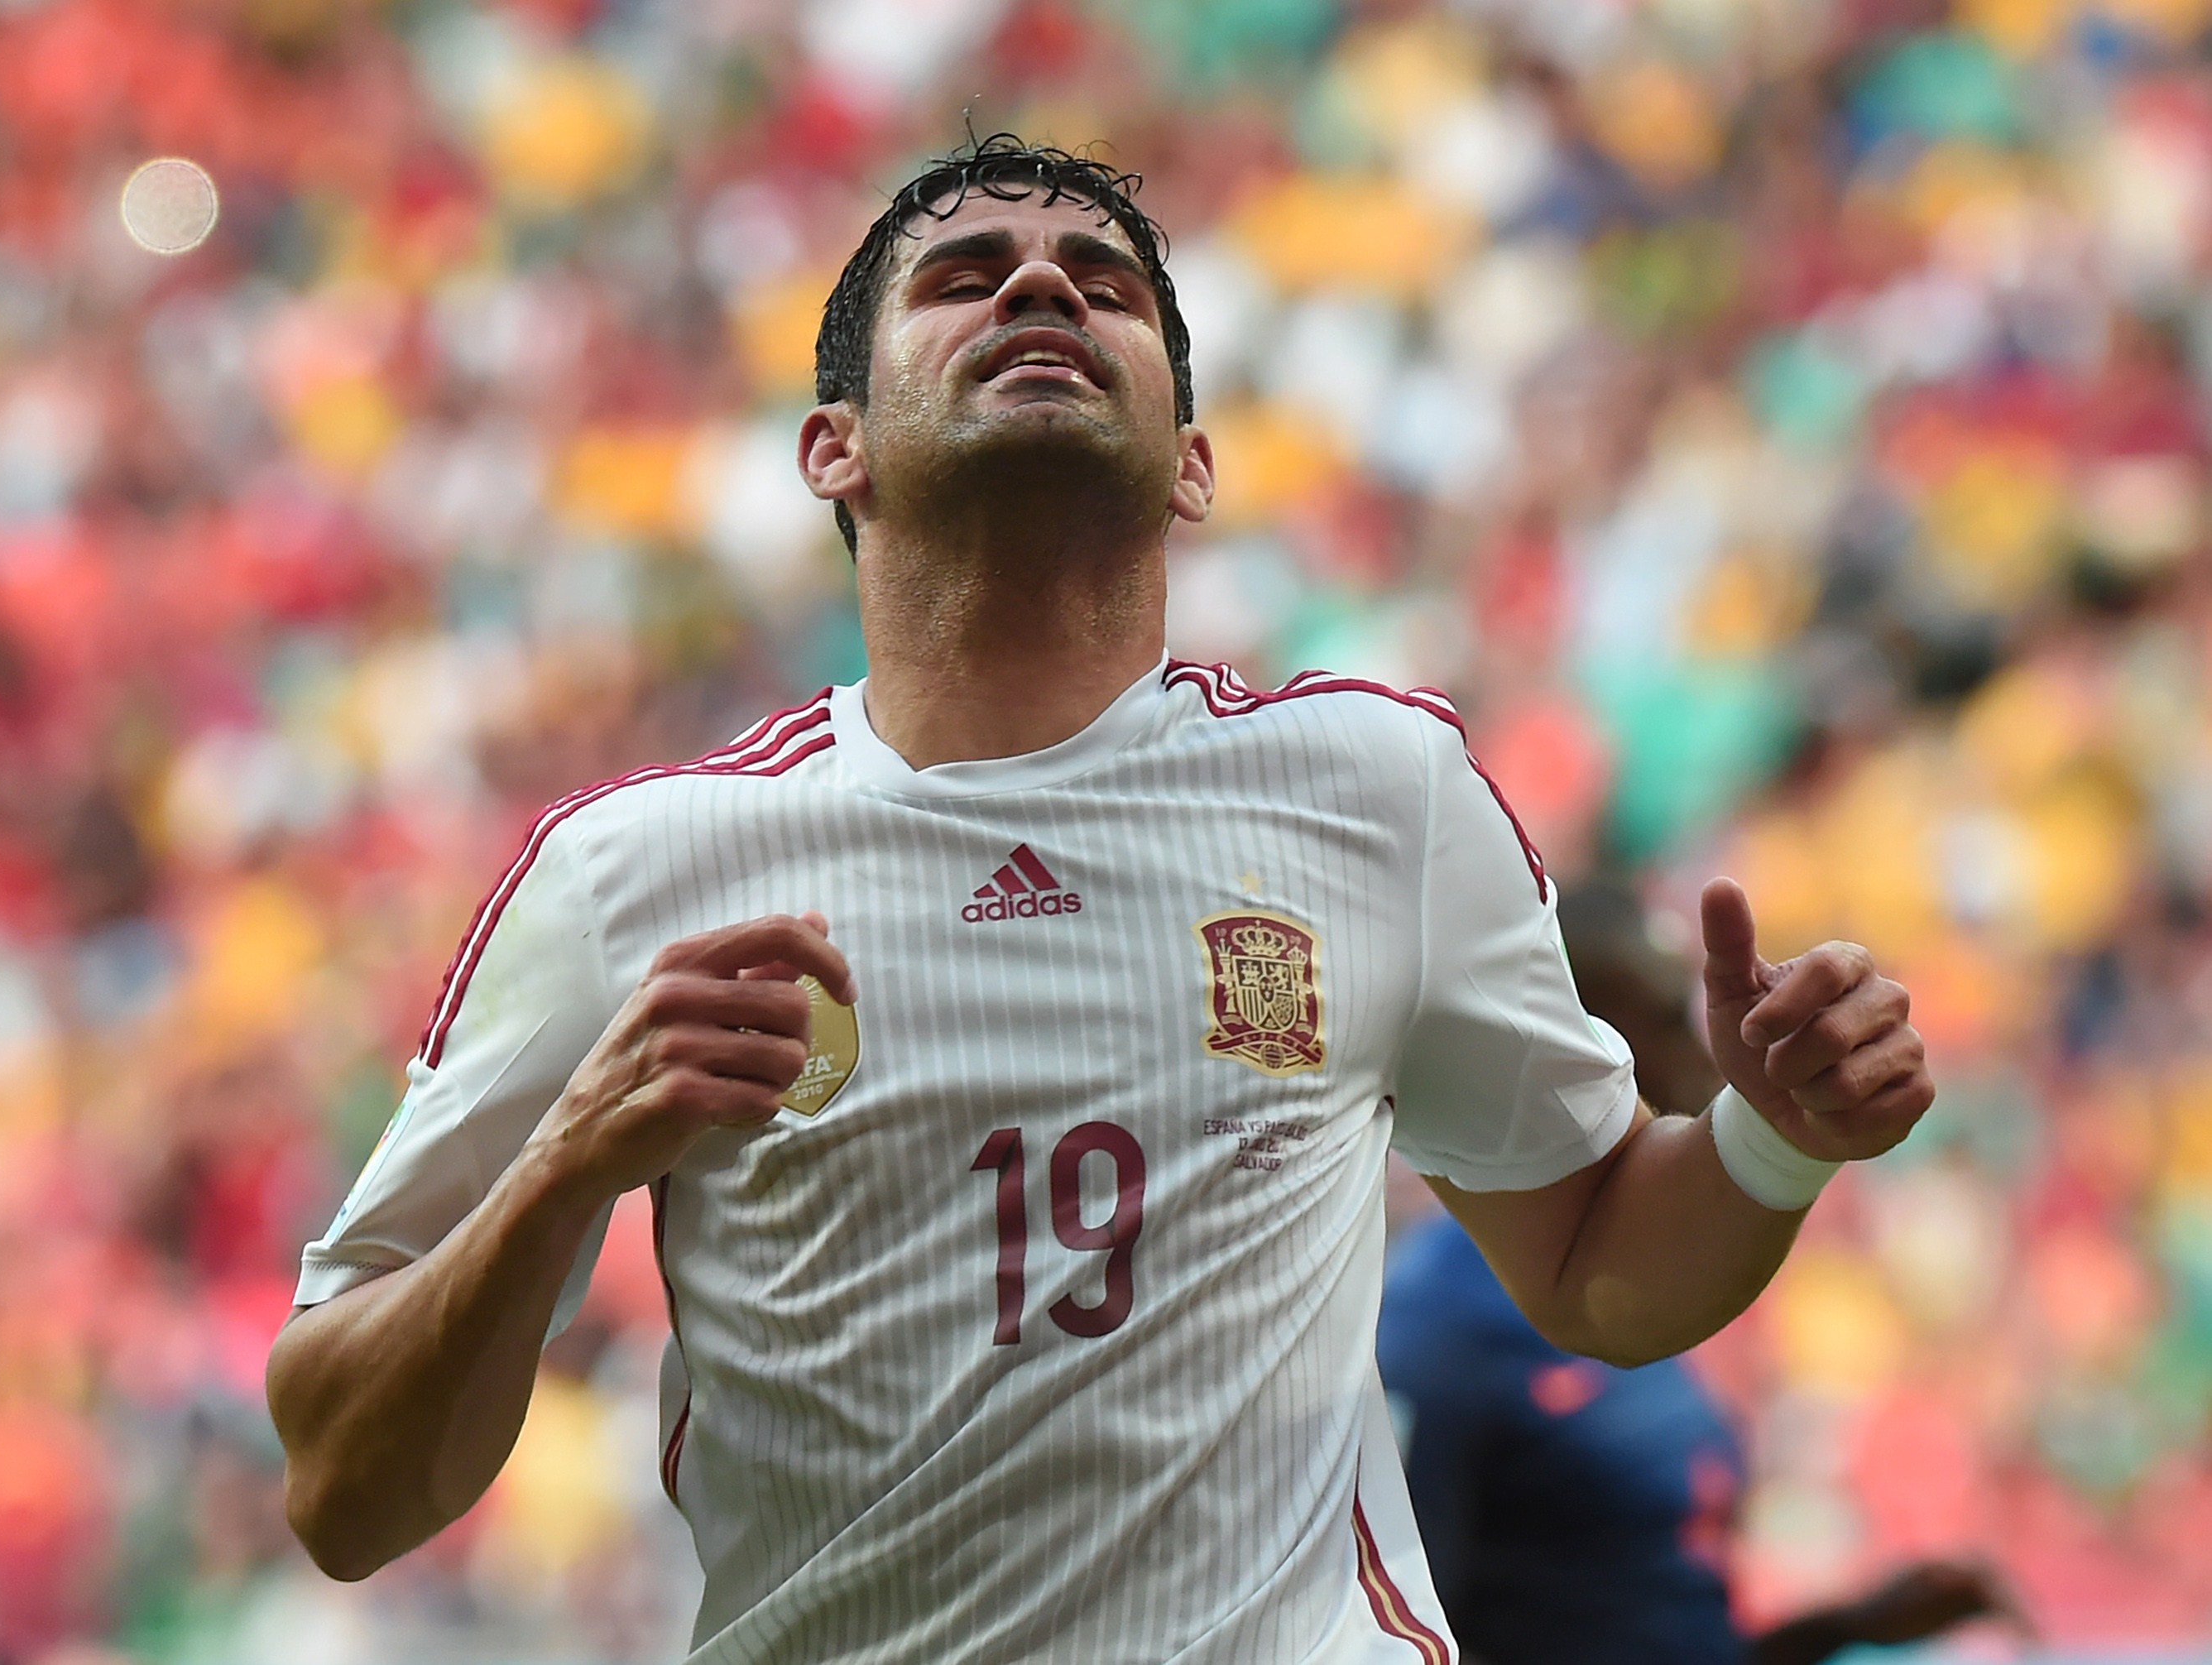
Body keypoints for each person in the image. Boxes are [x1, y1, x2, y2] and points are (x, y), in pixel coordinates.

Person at [266, 136, 1936, 1663]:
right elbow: (346, 1492)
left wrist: (1770, 1138)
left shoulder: (1375, 789)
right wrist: (564, 1163)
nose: (1041, 283)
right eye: (959, 272)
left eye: (1105, 282)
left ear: (1193, 463)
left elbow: (1594, 1269)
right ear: (830, 449)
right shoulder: (632, 868)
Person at [1379, 882, 2013, 1665]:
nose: (1700, 1042)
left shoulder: (1652, 1287)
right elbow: (1399, 1641)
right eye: (1656, 1010)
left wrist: (1846, 1629)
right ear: (1562, 1040)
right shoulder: (1436, 1325)